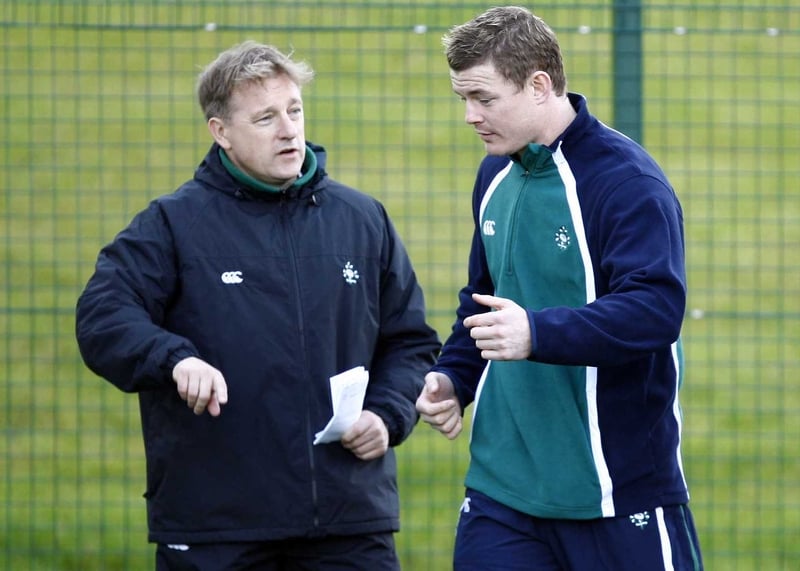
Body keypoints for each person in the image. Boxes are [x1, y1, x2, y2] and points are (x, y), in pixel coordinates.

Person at [76, 40, 440, 570]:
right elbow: (102, 318)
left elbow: (410, 343)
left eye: (294, 109)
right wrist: (176, 358)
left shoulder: (363, 219)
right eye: (265, 117)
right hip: (217, 529)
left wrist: (387, 416)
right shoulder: (174, 225)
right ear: (221, 132)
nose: (290, 129)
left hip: (349, 523)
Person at [415, 6, 703, 570]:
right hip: (502, 492)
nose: (470, 116)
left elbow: (655, 308)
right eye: (462, 99)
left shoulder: (626, 183)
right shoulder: (493, 173)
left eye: (484, 98)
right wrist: (455, 377)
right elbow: (484, 297)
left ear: (539, 85)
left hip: (616, 491)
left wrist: (537, 332)